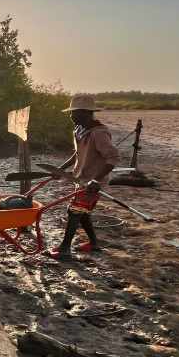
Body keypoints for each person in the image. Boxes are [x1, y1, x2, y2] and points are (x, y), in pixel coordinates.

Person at [52, 93, 121, 260]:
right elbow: (77, 154)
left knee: (74, 211)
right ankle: (94, 244)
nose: (71, 116)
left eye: (75, 112)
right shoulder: (79, 130)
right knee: (82, 212)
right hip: (80, 179)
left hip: (93, 181)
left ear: (87, 113)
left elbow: (113, 158)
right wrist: (60, 170)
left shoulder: (99, 133)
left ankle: (65, 249)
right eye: (71, 112)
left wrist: (96, 180)